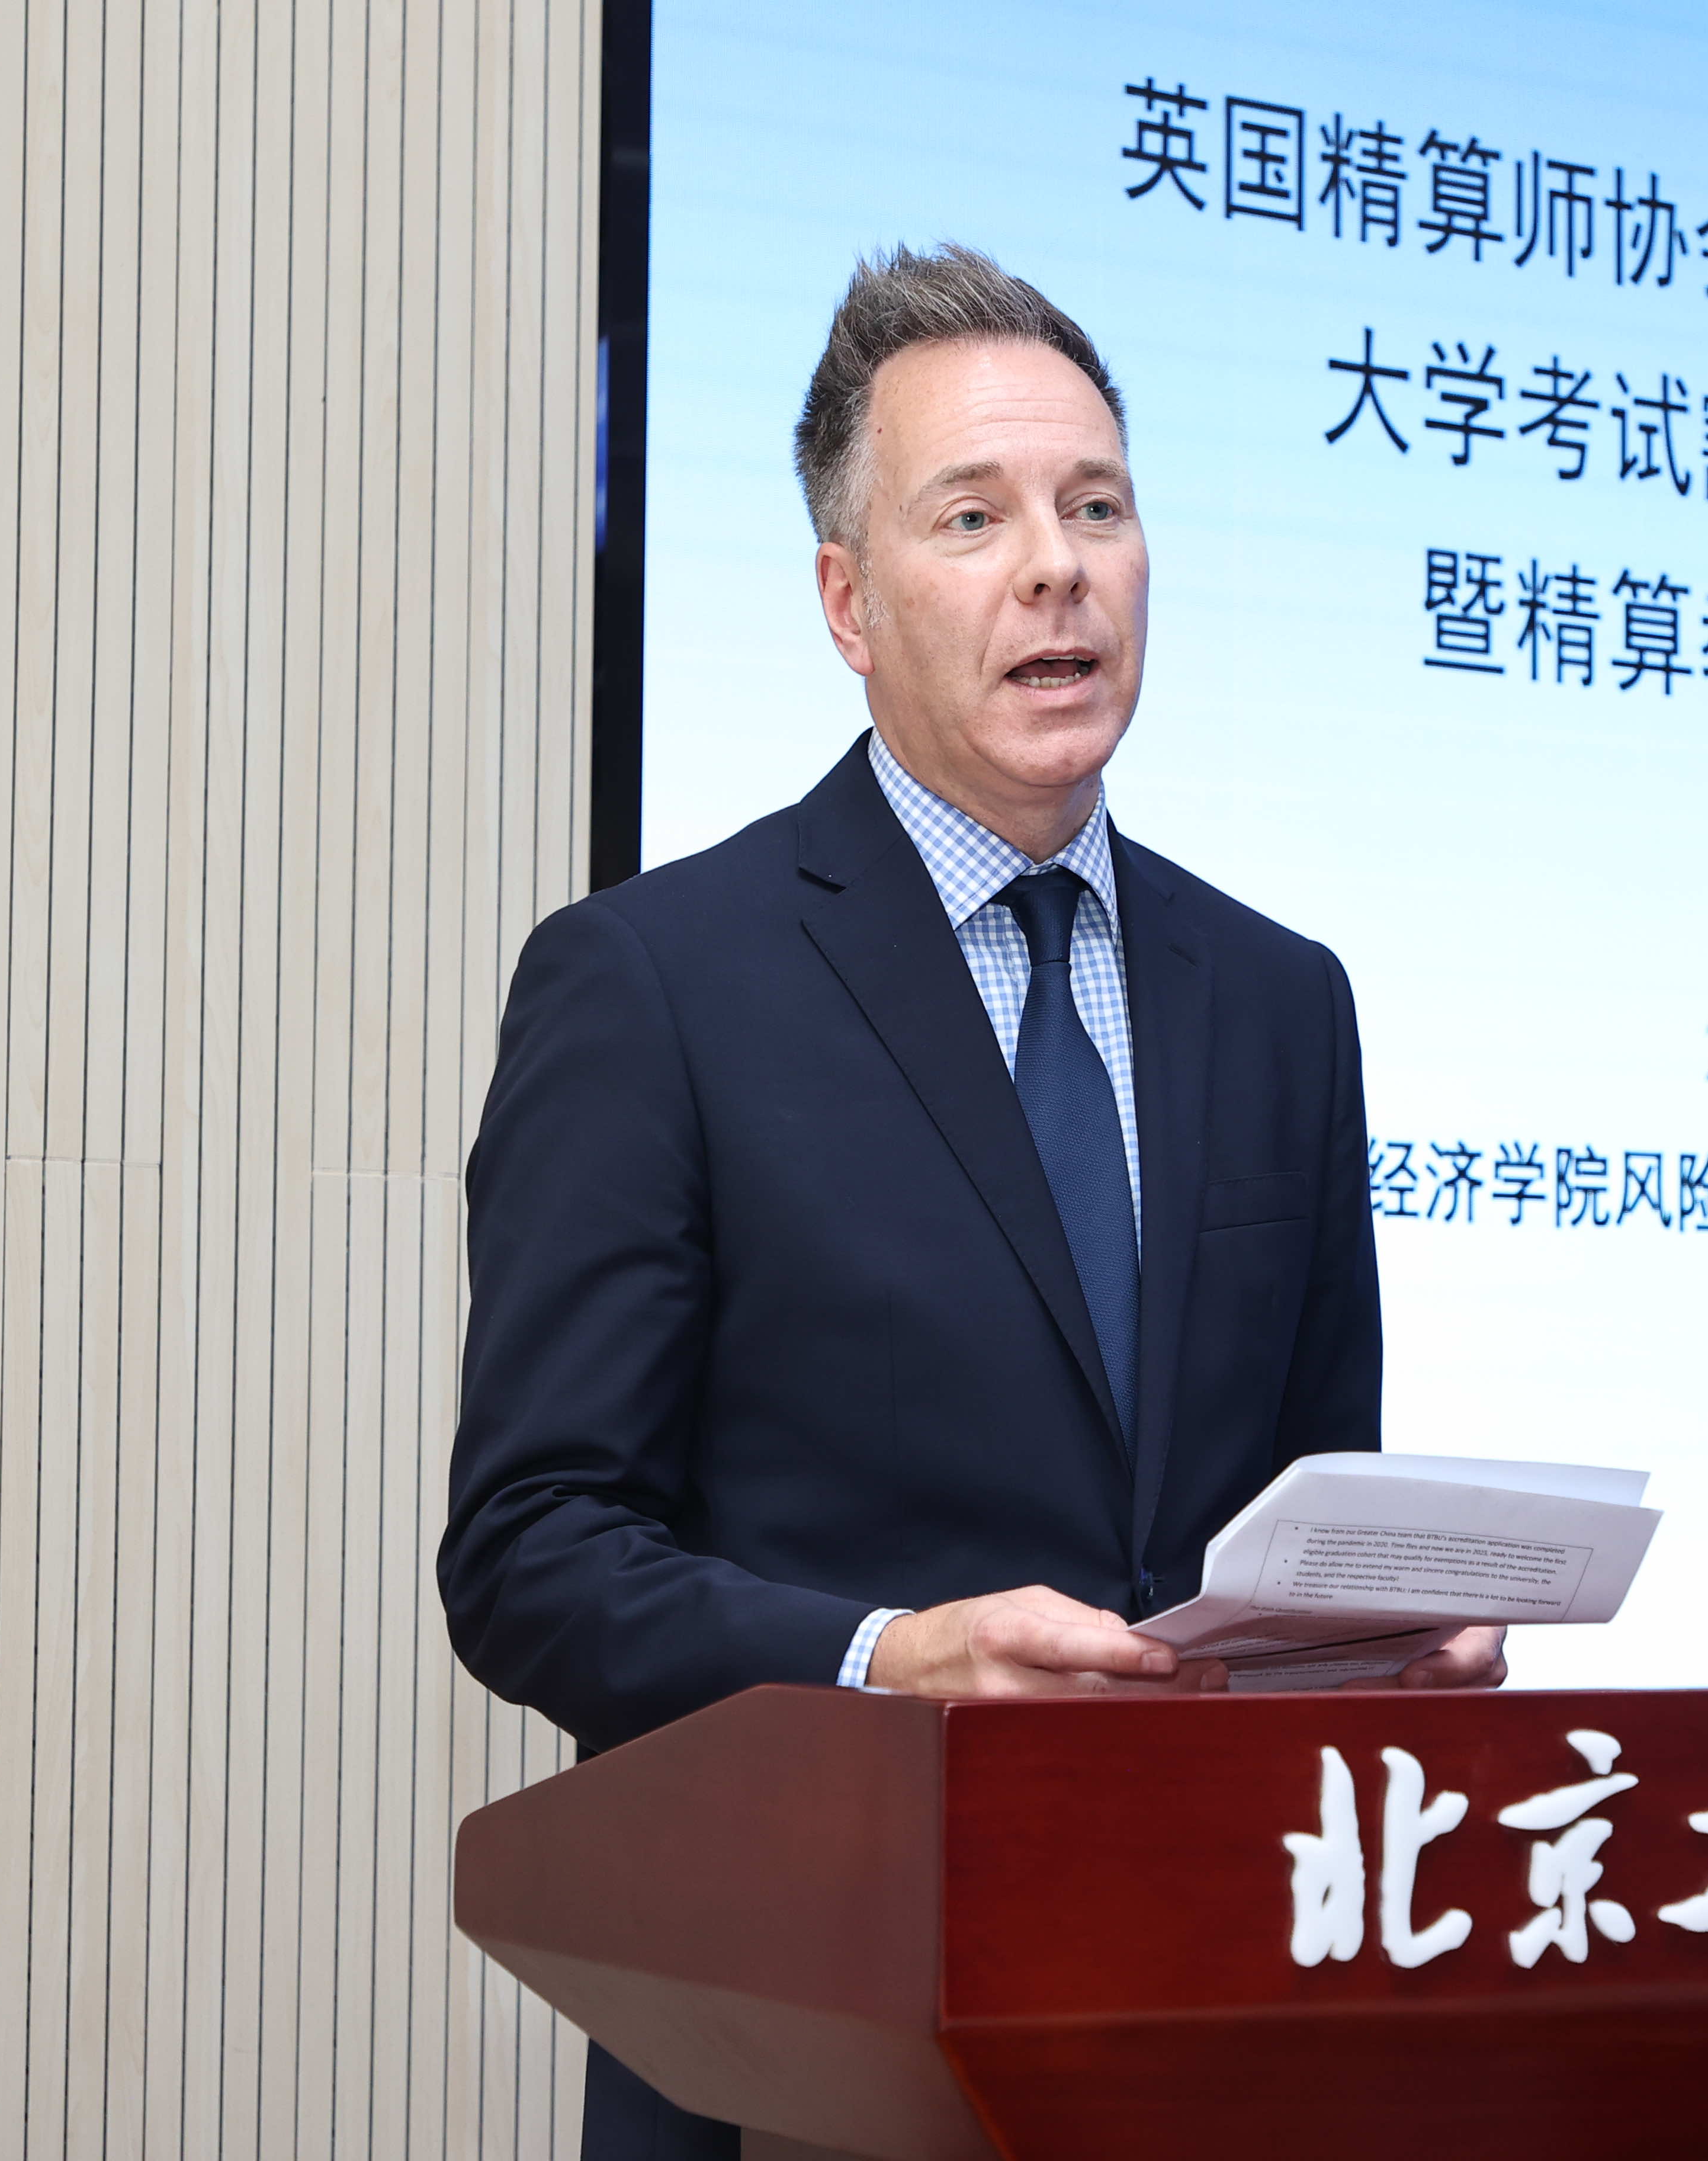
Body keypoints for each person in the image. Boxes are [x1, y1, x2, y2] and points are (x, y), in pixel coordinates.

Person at [438, 243, 1505, 2160]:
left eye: (1097, 508)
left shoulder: (1280, 999)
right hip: (804, 2049)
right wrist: (889, 1656)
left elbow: (1296, 1515)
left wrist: (1377, 1643)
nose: (1056, 569)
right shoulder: (658, 983)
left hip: (1207, 2034)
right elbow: (534, 1556)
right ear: (848, 602)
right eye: (974, 517)